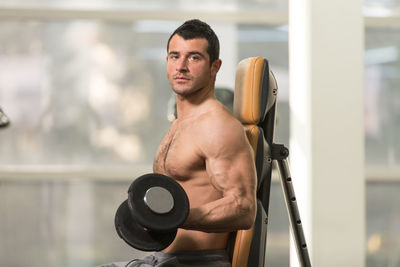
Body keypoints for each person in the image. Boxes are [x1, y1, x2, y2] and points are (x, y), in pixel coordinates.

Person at [101, 19, 257, 267]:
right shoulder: (181, 123)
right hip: (162, 259)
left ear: (214, 67)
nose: (181, 66)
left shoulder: (217, 126)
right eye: (175, 56)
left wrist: (173, 217)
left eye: (194, 58)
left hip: (196, 262)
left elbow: (243, 207)